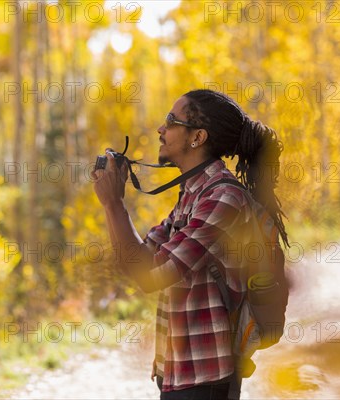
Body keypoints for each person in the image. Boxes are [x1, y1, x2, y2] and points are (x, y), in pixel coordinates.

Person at [92, 89, 289, 400]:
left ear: (197, 137)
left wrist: (114, 205)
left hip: (206, 378)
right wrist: (112, 203)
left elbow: (150, 276)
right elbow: (139, 259)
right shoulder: (194, 194)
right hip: (181, 372)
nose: (160, 129)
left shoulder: (222, 197)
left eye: (171, 121)